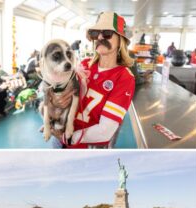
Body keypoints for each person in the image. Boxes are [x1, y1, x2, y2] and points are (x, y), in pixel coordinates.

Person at [54, 11, 135, 148]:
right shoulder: (84, 64)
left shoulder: (124, 78)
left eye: (107, 33)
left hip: (83, 149)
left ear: (121, 40)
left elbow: (105, 131)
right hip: (58, 140)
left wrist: (67, 138)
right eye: (95, 33)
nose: (100, 37)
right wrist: (58, 100)